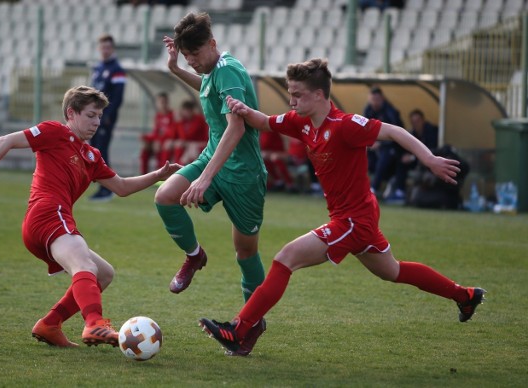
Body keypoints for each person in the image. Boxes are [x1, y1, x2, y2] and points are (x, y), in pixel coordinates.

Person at [199, 58, 486, 355]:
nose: (291, 100)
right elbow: (264, 122)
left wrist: (429, 160)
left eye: (297, 94)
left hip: (353, 221)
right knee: (392, 271)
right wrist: (243, 110)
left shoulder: (346, 125)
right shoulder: (302, 123)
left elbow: (395, 132)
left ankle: (240, 329)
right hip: (356, 216)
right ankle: (464, 295)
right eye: (290, 93)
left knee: (286, 258)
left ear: (320, 95)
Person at [0, 86, 180, 348]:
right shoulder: (55, 132)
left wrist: (158, 174)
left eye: (99, 117)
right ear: (71, 113)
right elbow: (5, 141)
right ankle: (94, 323)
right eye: (91, 115)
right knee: (86, 267)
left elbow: (122, 187)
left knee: (104, 274)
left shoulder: (91, 155)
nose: (96, 122)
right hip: (47, 214)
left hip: (49, 222)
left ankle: (49, 324)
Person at [154, 12, 267, 356]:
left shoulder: (229, 69)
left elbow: (236, 128)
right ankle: (195, 255)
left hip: (243, 174)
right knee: (165, 196)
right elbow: (207, 86)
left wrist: (205, 179)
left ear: (213, 44)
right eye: (187, 57)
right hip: (212, 158)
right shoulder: (212, 71)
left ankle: (252, 323)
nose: (194, 62)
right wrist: (176, 69)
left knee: (245, 251)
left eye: (196, 56)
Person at [90, 34, 126, 201]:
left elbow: (118, 97)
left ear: (113, 49)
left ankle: (108, 189)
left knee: (102, 152)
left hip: (105, 118)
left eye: (108, 47)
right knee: (95, 150)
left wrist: (108, 117)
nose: (105, 50)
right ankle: (102, 187)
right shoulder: (98, 68)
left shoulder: (117, 69)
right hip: (93, 117)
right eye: (103, 47)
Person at [387, 109, 440, 203]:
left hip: (430, 162)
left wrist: (412, 157)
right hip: (417, 161)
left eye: (418, 121)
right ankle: (400, 192)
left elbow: (434, 150)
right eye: (413, 122)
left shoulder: (432, 132)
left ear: (423, 120)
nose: (416, 124)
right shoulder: (412, 133)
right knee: (400, 161)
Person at [363, 86, 404, 198]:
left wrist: (380, 143)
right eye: (372, 100)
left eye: (377, 100)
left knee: (384, 157)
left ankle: (373, 189)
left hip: (392, 147)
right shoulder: (368, 110)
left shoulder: (391, 112)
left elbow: (398, 134)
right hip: (373, 146)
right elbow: (364, 129)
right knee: (360, 155)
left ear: (382, 99)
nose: (375, 102)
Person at [140, 92, 175, 174]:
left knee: (164, 146)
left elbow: (172, 133)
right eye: (160, 102)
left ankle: (162, 174)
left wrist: (159, 140)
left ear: (168, 102)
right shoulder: (158, 116)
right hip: (160, 141)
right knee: (145, 148)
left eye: (164, 102)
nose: (162, 104)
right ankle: (143, 175)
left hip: (168, 142)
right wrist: (148, 138)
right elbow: (156, 132)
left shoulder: (172, 115)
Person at [171, 99, 209, 165]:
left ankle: (179, 168)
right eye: (184, 111)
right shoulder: (183, 121)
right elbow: (173, 136)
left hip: (201, 144)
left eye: (187, 111)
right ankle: (175, 168)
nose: (185, 113)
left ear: (191, 111)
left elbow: (186, 137)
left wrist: (179, 123)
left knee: (189, 148)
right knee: (177, 145)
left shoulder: (198, 120)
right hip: (189, 144)